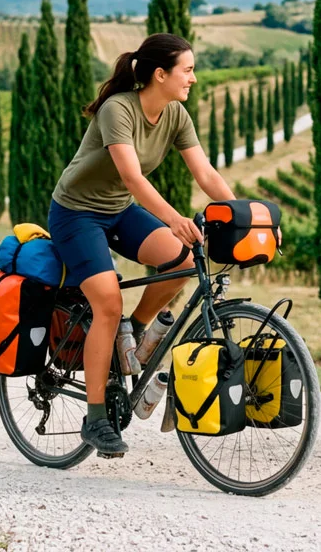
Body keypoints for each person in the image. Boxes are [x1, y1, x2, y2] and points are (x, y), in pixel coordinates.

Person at [49, 33, 235, 456]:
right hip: (76, 213)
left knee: (181, 261)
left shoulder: (176, 115)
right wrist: (174, 218)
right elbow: (133, 177)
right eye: (187, 70)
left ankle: (133, 329)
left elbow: (206, 175)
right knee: (107, 304)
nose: (193, 78)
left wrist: (247, 213)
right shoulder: (119, 109)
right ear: (160, 74)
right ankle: (96, 418)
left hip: (118, 210)